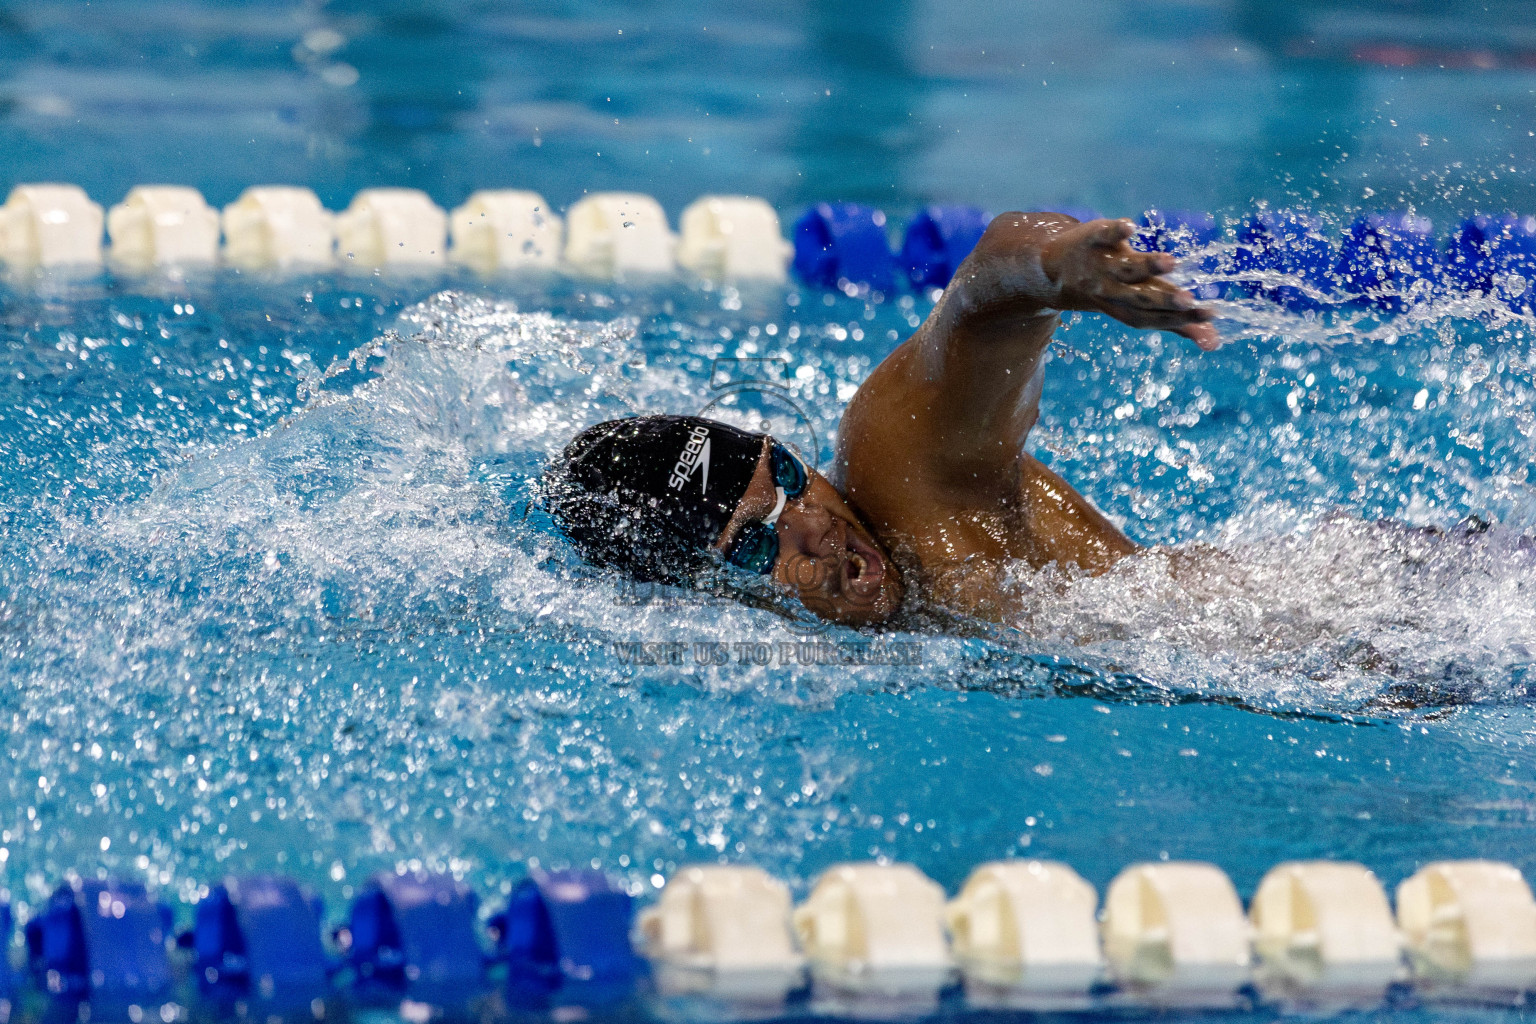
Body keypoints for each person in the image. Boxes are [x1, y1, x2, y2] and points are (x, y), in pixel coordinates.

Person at [542, 213, 1219, 626]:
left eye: (786, 477)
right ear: (705, 596)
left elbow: (980, 297)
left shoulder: (900, 470)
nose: (816, 527)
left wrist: (1054, 267)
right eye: (755, 543)